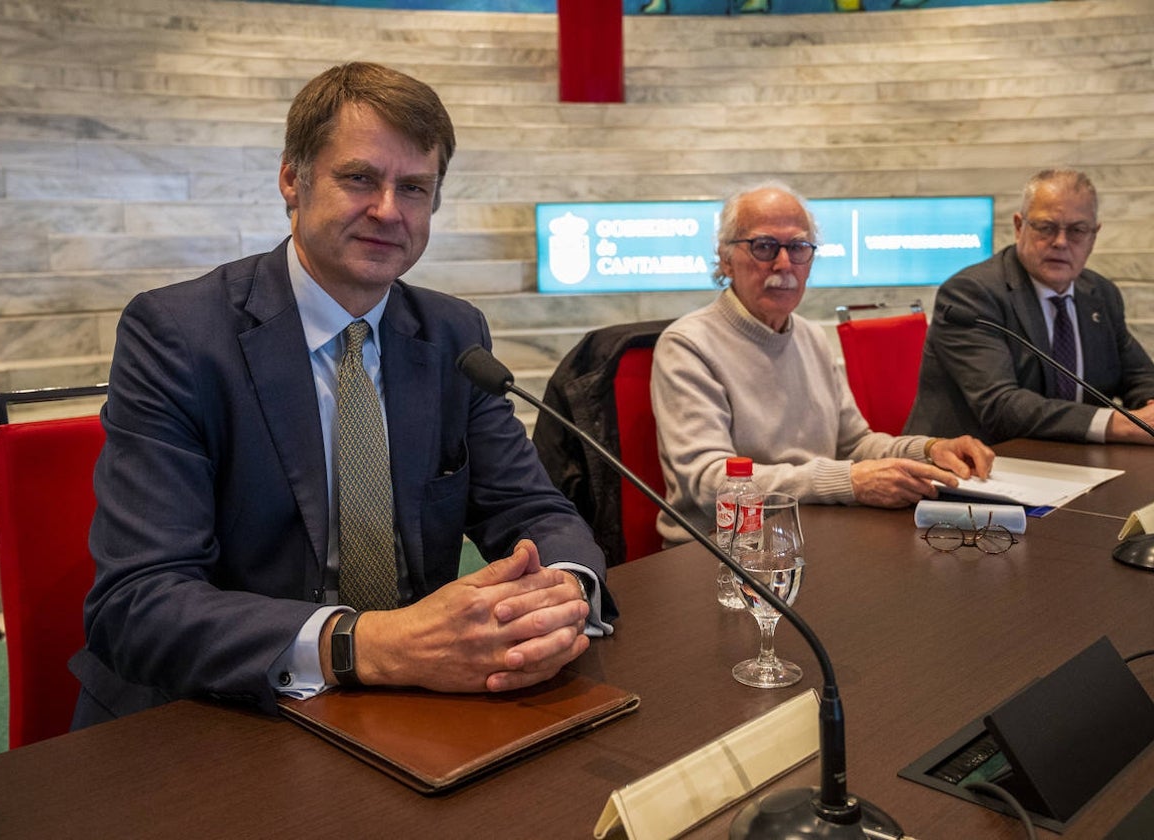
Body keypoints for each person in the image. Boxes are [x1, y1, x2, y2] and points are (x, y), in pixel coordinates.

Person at [69, 62, 615, 728]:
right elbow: (139, 602)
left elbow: (531, 508)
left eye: (414, 188)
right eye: (360, 178)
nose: (389, 211)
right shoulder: (178, 334)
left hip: (421, 705)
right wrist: (375, 645)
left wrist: (566, 591)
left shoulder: (452, 334)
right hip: (225, 713)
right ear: (291, 180)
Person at [650, 182, 994, 545]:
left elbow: (855, 444)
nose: (783, 264)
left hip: (808, 533)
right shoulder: (687, 344)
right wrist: (849, 481)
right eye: (764, 246)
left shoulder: (811, 336)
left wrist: (928, 450)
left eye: (798, 247)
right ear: (725, 258)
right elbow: (712, 483)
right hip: (718, 551)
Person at [904, 168, 1154, 446]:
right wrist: (1117, 424)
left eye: (1077, 230)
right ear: (1019, 226)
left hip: (1071, 462)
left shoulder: (1101, 294)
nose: (1060, 242)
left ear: (1094, 236)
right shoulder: (971, 294)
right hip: (971, 466)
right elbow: (1000, 405)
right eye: (1046, 227)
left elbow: (1139, 375)